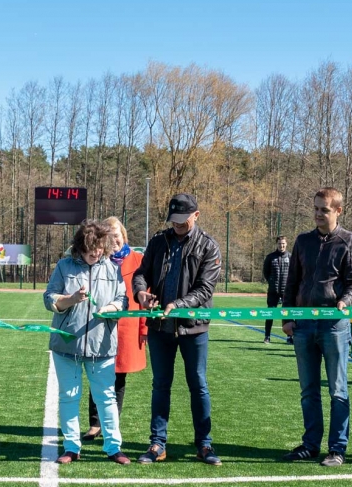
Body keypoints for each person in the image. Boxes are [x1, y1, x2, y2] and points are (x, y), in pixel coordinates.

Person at [132, 193, 223, 466]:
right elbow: (141, 273)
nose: (178, 224)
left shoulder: (209, 246)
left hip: (194, 328)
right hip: (160, 327)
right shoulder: (158, 241)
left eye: (183, 219)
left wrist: (179, 305)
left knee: (199, 385)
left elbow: (205, 288)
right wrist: (141, 294)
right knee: (160, 385)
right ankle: (157, 444)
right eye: (174, 220)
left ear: (196, 215)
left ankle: (204, 445)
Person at [279, 187, 352, 467]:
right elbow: (292, 281)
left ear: (338, 211)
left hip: (334, 325)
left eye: (324, 209)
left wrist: (346, 300)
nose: (318, 213)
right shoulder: (302, 241)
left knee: (338, 389)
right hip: (303, 324)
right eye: (316, 208)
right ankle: (310, 444)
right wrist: (287, 318)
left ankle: (337, 448)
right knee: (308, 389)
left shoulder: (349, 241)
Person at [45, 219, 129, 464]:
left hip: (102, 346)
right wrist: (71, 299)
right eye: (90, 248)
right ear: (79, 247)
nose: (95, 253)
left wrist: (111, 308)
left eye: (99, 248)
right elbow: (49, 298)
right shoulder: (64, 266)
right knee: (69, 396)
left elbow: (122, 300)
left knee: (106, 397)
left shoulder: (113, 269)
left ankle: (114, 448)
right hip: (66, 346)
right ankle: (71, 447)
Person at [82, 217, 147, 442]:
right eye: (109, 236)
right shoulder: (98, 260)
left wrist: (144, 328)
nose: (114, 240)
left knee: (118, 378)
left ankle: (111, 423)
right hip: (99, 326)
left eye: (117, 235)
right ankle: (94, 423)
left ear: (123, 235)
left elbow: (147, 295)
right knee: (96, 374)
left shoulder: (139, 260)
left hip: (127, 330)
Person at [261, 235, 290, 344]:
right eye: (279, 243)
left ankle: (289, 337)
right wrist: (272, 282)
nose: (281, 245)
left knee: (287, 314)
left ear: (286, 244)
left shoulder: (290, 257)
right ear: (276, 244)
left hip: (286, 292)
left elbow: (293, 274)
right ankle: (267, 336)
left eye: (283, 243)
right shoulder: (270, 257)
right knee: (270, 314)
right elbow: (266, 272)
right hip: (273, 291)